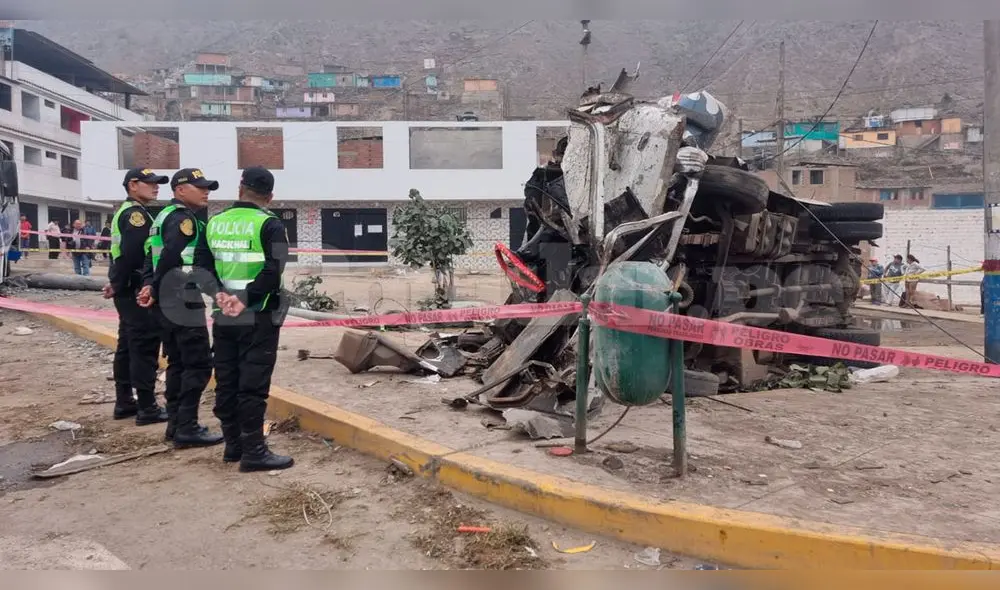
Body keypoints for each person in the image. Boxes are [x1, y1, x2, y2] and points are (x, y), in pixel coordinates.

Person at [205, 166, 294, 472]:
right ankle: (254, 451)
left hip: (223, 315)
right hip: (258, 315)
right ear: (270, 196)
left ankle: (233, 446)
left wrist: (220, 295)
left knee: (227, 380)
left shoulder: (214, 223)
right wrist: (244, 300)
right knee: (253, 383)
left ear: (239, 189)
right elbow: (274, 270)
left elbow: (202, 266)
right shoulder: (271, 225)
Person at [137, 168, 223, 448]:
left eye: (207, 186)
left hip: (167, 298)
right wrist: (156, 286)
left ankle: (176, 424)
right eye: (200, 187)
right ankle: (186, 426)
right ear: (180, 190)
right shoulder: (183, 219)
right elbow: (172, 256)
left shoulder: (162, 217)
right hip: (181, 298)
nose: (205, 191)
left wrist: (150, 285)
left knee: (178, 363)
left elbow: (152, 254)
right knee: (198, 364)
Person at [103, 168, 170, 425]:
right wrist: (144, 285)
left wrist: (115, 284)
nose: (156, 187)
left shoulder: (126, 211)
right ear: (133, 185)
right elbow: (135, 256)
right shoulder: (135, 216)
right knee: (144, 346)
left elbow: (119, 255)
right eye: (150, 183)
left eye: (157, 183)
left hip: (125, 287)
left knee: (127, 346)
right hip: (135, 290)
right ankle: (147, 406)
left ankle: (125, 401)